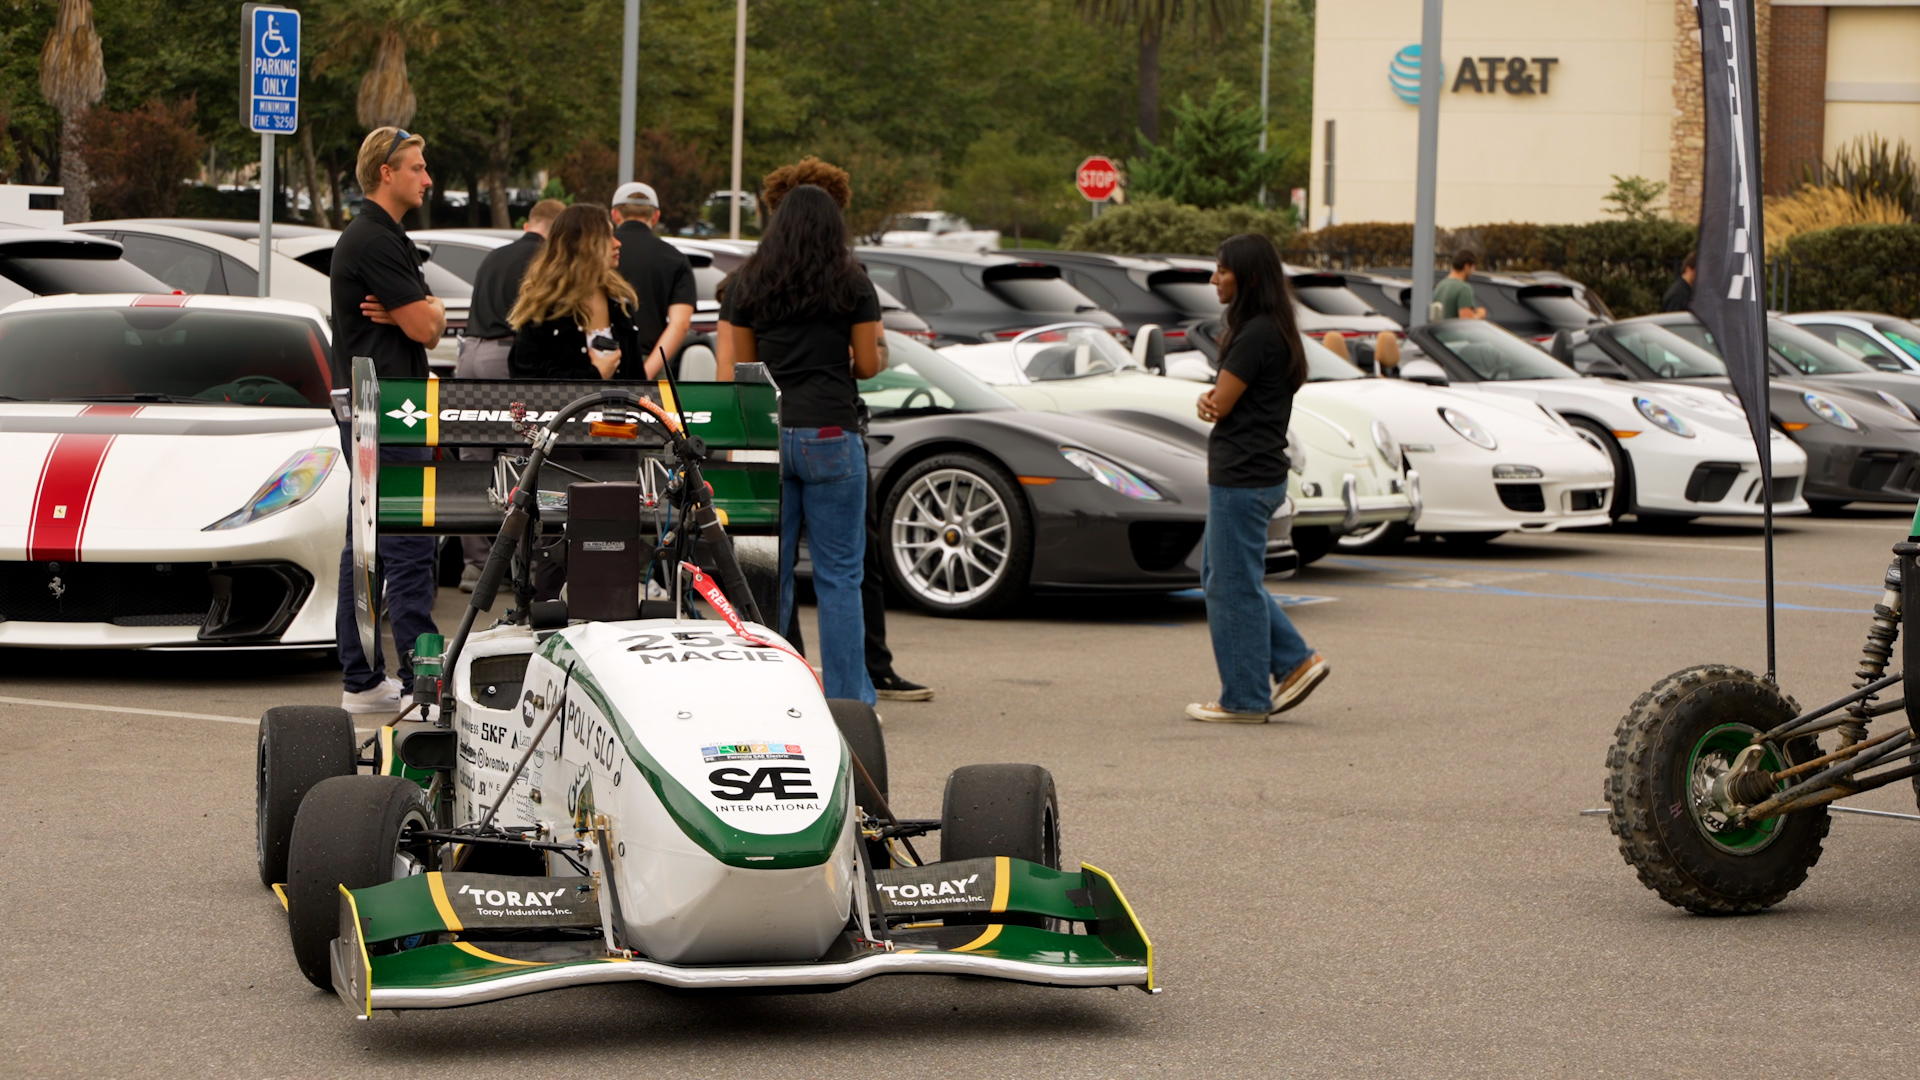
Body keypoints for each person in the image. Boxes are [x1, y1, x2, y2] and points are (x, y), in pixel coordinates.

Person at [728, 184, 884, 707]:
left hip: (770, 437)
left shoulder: (749, 282)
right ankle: (848, 704)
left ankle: (772, 694)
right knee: (841, 577)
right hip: (830, 434)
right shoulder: (852, 281)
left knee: (770, 576)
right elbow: (866, 364)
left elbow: (743, 372)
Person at [1186, 233, 1330, 723]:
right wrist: (1215, 401)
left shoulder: (1254, 334)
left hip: (1241, 477)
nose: (1214, 279)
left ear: (1246, 277)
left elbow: (1219, 402)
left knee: (1231, 584)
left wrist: (1210, 401)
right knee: (1225, 579)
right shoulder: (1276, 329)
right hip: (1259, 472)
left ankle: (1245, 696)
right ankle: (1295, 660)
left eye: (1221, 270)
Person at [332, 126, 446, 715]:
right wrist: (421, 314)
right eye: (418, 167)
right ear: (387, 172)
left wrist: (424, 309)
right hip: (384, 410)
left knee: (370, 540)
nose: (427, 179)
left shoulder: (385, 237)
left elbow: (430, 316)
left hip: (384, 406)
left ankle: (363, 680)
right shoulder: (374, 240)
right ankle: (415, 684)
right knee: (403, 541)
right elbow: (428, 328)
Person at [455, 197, 566, 590]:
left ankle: (476, 564)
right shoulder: (544, 259)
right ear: (555, 228)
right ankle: (524, 564)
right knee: (523, 459)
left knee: (472, 458)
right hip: (505, 357)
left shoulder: (493, 256)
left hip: (468, 353)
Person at [506, 203, 643, 381]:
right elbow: (527, 384)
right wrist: (595, 375)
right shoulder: (545, 309)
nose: (617, 243)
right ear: (582, 245)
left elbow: (638, 379)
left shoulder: (619, 303)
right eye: (607, 237)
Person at [609, 182, 696, 378]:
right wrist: (645, 372)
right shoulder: (676, 259)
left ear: (615, 214)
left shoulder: (600, 253)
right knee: (660, 410)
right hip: (651, 364)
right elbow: (680, 324)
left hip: (602, 362)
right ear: (656, 216)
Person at [1432, 249, 1487, 320]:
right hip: (1455, 331)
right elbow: (1466, 321)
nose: (1473, 271)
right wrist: (1481, 314)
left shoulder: (1440, 285)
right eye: (1473, 267)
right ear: (1467, 266)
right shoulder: (1464, 288)